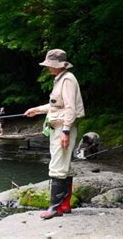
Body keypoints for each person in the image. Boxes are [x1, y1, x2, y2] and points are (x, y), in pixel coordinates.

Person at [24, 49, 84, 219]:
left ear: (60, 65)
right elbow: (57, 105)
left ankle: (55, 208)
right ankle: (65, 205)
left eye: (50, 65)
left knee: (57, 167)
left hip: (62, 128)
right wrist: (36, 110)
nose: (48, 67)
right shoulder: (60, 79)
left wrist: (65, 130)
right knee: (65, 166)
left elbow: (71, 108)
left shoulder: (67, 80)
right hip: (57, 127)